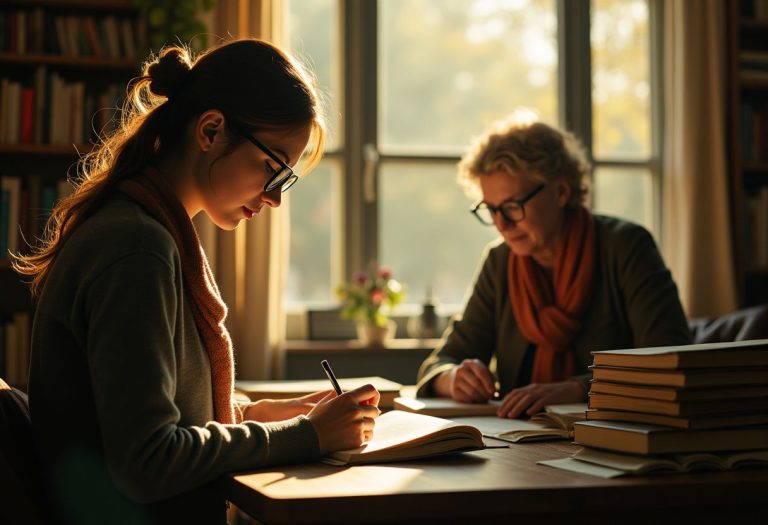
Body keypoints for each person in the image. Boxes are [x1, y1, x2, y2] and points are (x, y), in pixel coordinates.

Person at [12, 39, 380, 524]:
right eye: (273, 168)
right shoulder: (137, 246)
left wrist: (254, 413)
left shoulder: (148, 230)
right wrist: (307, 436)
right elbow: (146, 460)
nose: (275, 199)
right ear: (211, 130)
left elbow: (152, 415)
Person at [416, 116, 691, 419]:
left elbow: (669, 361)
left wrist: (577, 389)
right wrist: (454, 379)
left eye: (512, 206)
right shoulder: (499, 261)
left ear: (561, 192)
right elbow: (443, 360)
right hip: (517, 441)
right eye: (491, 209)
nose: (502, 224)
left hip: (614, 435)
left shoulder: (627, 247)